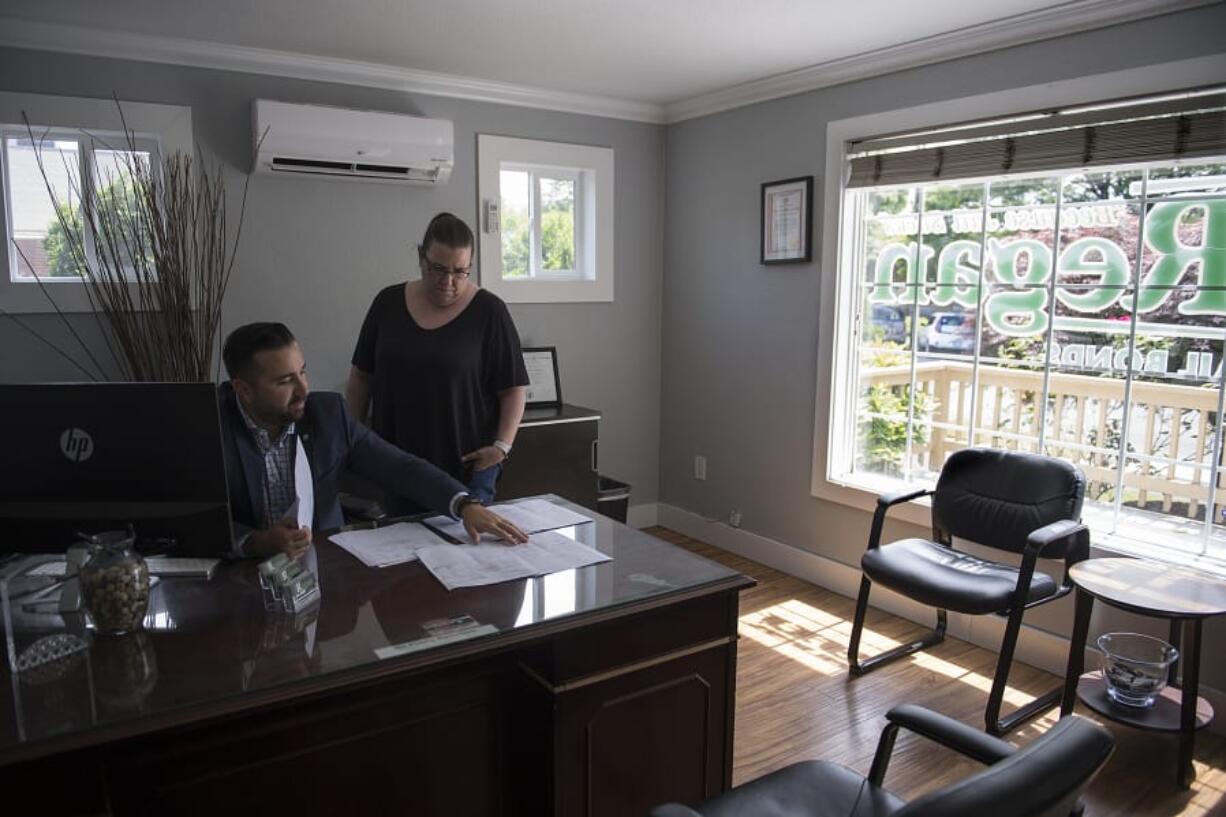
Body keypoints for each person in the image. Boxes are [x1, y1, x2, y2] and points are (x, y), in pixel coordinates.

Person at [219, 322, 528, 559]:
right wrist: (259, 543)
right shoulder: (211, 429)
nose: (303, 390)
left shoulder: (326, 414)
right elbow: (191, 527)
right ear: (243, 390)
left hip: (322, 569)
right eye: (285, 381)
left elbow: (399, 466)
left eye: (302, 372)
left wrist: (464, 505)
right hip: (241, 579)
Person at [347, 212, 529, 513]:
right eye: (438, 269)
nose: (448, 282)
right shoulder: (387, 303)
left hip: (466, 468)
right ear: (422, 257)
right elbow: (361, 377)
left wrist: (501, 448)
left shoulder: (490, 312)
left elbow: (513, 390)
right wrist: (352, 439)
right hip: (394, 467)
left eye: (460, 272)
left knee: (462, 555)